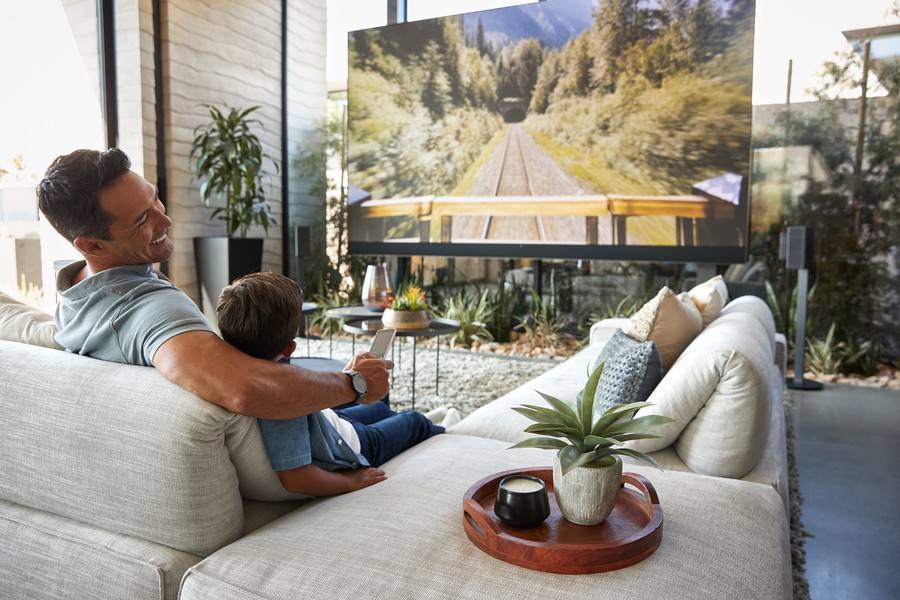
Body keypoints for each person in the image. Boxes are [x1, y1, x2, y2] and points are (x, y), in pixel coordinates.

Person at [36, 148, 390, 419]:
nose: (166, 218)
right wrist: (354, 383)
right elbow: (245, 389)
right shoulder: (151, 312)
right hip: (300, 456)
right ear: (92, 245)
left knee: (380, 412)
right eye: (143, 218)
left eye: (154, 197)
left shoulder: (74, 289)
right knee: (394, 414)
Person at [216, 272, 455, 496]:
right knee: (412, 421)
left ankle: (408, 422)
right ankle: (445, 430)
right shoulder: (281, 398)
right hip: (352, 447)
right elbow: (295, 478)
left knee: (379, 407)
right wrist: (352, 482)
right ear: (290, 348)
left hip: (329, 423)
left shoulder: (230, 371)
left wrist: (346, 379)